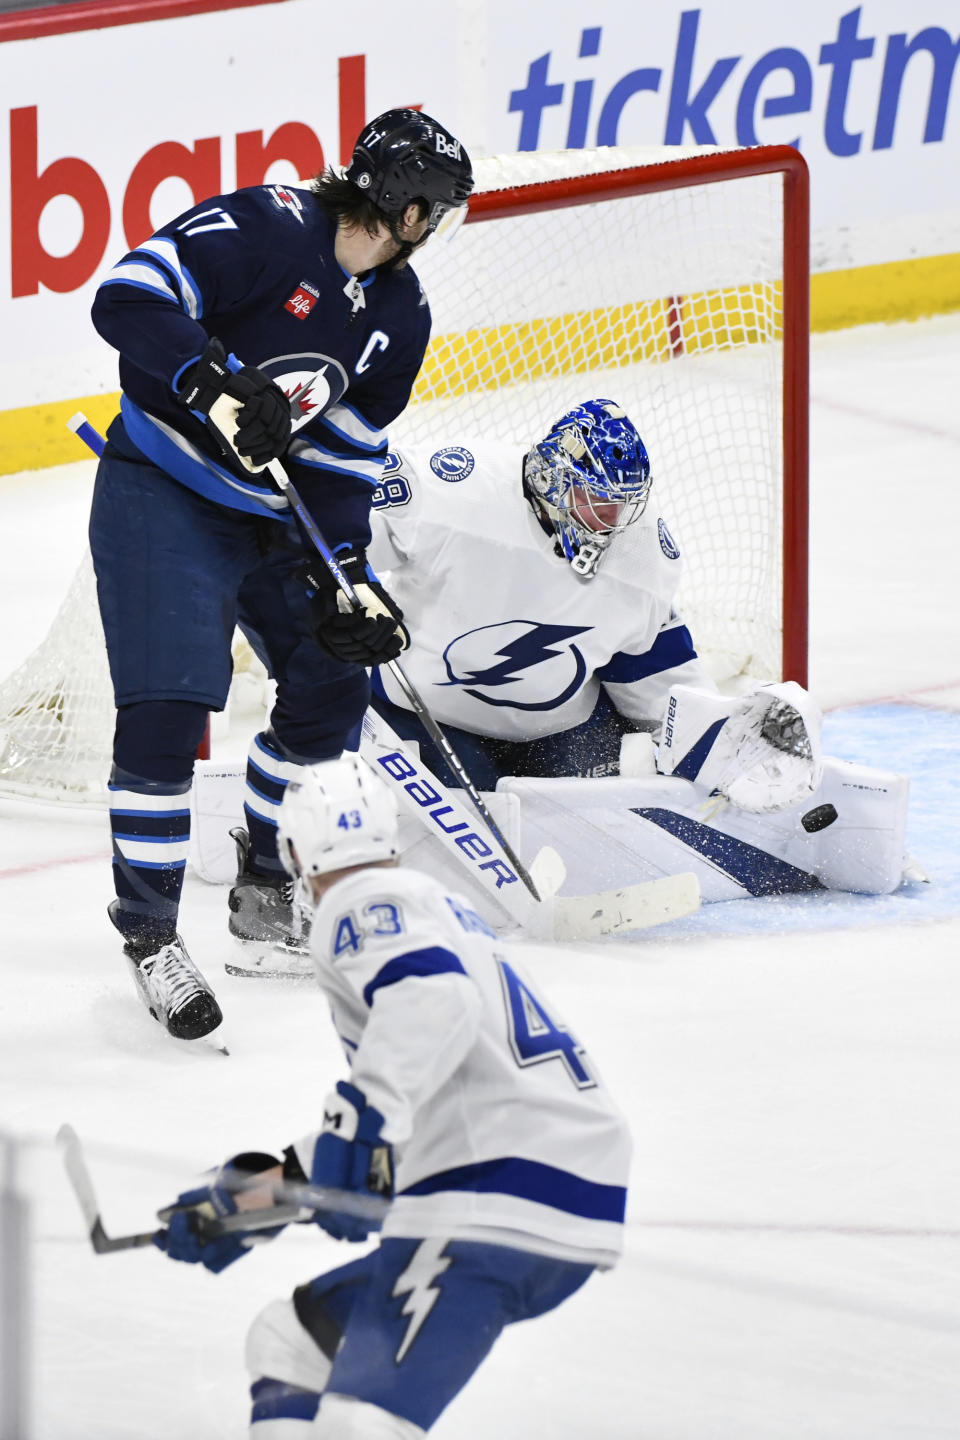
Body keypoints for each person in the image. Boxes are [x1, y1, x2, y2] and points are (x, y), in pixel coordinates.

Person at [88, 109, 473, 1040]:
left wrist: (349, 573)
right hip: (162, 493)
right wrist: (210, 379)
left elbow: (340, 465)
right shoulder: (265, 227)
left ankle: (264, 878)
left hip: (268, 519)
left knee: (335, 678)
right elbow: (125, 298)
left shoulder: (400, 313)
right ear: (405, 205)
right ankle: (150, 933)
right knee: (170, 709)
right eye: (439, 209)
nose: (441, 228)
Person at [154, 755, 632, 1438]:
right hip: (551, 1184)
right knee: (289, 1339)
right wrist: (258, 1195)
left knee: (362, 1424)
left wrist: (362, 1119)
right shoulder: (434, 909)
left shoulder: (360, 904)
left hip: (495, 1200)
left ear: (292, 851)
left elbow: (430, 1006)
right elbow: (417, 1108)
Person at [362, 400, 913, 914]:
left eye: (624, 503)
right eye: (598, 499)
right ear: (554, 476)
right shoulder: (452, 489)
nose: (612, 519)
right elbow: (336, 541)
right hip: (423, 715)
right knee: (439, 848)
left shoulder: (641, 553)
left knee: (598, 844)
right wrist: (348, 595)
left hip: (562, 732)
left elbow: (652, 670)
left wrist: (718, 741)